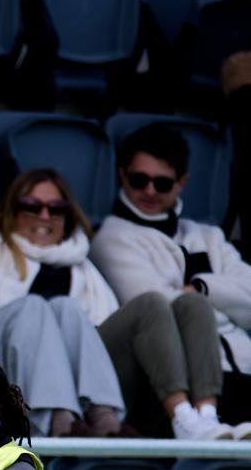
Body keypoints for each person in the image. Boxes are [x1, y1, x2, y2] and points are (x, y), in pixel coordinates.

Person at [91, 124, 251, 438]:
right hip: (180, 382)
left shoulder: (208, 235)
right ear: (122, 175)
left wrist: (204, 288)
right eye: (139, 180)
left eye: (162, 183)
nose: (149, 191)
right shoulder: (112, 238)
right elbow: (164, 309)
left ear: (182, 183)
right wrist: (226, 300)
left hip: (243, 370)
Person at [0, 168, 130, 437]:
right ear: (12, 211)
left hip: (75, 380)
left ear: (67, 216)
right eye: (32, 206)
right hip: (0, 373)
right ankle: (59, 423)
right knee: (33, 308)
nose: (44, 216)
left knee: (67, 308)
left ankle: (105, 421)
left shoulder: (85, 270)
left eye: (56, 208)